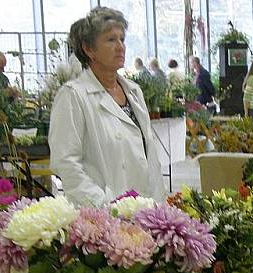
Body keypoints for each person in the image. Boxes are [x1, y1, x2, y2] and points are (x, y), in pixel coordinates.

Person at [48, 7, 165, 206]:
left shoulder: (134, 92)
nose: (120, 47)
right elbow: (66, 163)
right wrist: (105, 205)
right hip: (101, 216)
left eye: (122, 39)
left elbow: (148, 158)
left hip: (144, 211)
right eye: (111, 40)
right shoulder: (73, 95)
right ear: (88, 48)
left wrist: (157, 207)